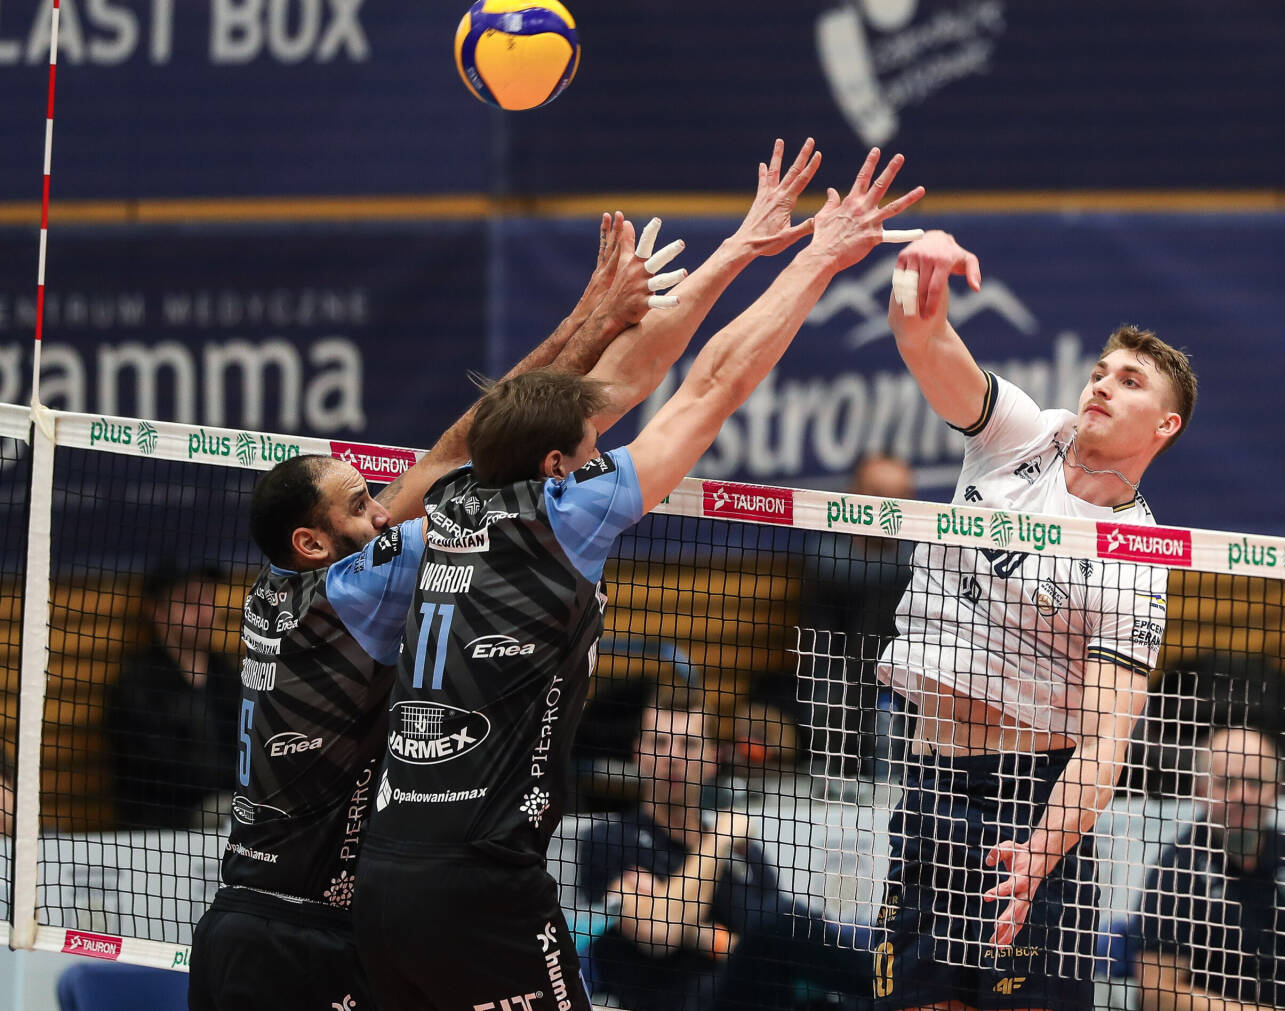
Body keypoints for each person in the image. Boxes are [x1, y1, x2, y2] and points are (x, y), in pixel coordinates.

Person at [351, 144, 924, 1011]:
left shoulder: (432, 508)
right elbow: (711, 384)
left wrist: (739, 246)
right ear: (556, 465)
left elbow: (615, 380)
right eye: (590, 442)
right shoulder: (565, 513)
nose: (604, 438)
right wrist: (817, 258)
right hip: (481, 877)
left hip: (382, 868)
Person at [188, 207, 689, 1011]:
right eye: (362, 505)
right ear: (312, 541)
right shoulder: (355, 589)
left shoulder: (279, 590)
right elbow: (481, 457)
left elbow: (457, 451)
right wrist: (600, 329)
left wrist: (587, 316)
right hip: (301, 942)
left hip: (240, 926)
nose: (384, 510)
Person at [873, 230, 1198, 1011]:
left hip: (1034, 803)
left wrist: (1038, 855)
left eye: (1129, 380)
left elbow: (1105, 739)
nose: (1103, 385)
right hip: (934, 783)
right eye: (1099, 371)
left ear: (1165, 425)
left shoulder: (1137, 558)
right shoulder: (1023, 435)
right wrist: (917, 281)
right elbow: (922, 340)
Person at [580, 686, 873, 1011]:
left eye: (688, 744)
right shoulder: (610, 840)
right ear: (638, 752)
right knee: (780, 920)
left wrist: (701, 934)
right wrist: (718, 839)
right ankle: (890, 987)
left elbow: (772, 944)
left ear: (712, 759)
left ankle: (889, 991)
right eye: (659, 742)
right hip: (679, 1003)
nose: (672, 757)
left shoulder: (744, 854)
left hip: (759, 997)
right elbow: (659, 933)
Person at [1136, 727, 1285, 1011]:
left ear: (1276, 789)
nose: (1243, 795)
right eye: (1227, 783)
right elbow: (1156, 992)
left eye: (1255, 783)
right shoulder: (1176, 868)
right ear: (1201, 791)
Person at [801, 453, 917, 783]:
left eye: (899, 497)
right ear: (855, 495)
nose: (889, 508)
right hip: (837, 689)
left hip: (907, 687)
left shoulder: (919, 559)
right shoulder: (828, 558)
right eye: (879, 496)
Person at [105, 562, 238, 830]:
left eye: (208, 599)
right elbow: (163, 771)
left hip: (229, 814)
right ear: (155, 609)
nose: (204, 612)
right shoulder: (137, 686)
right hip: (163, 828)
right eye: (189, 601)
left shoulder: (231, 677)